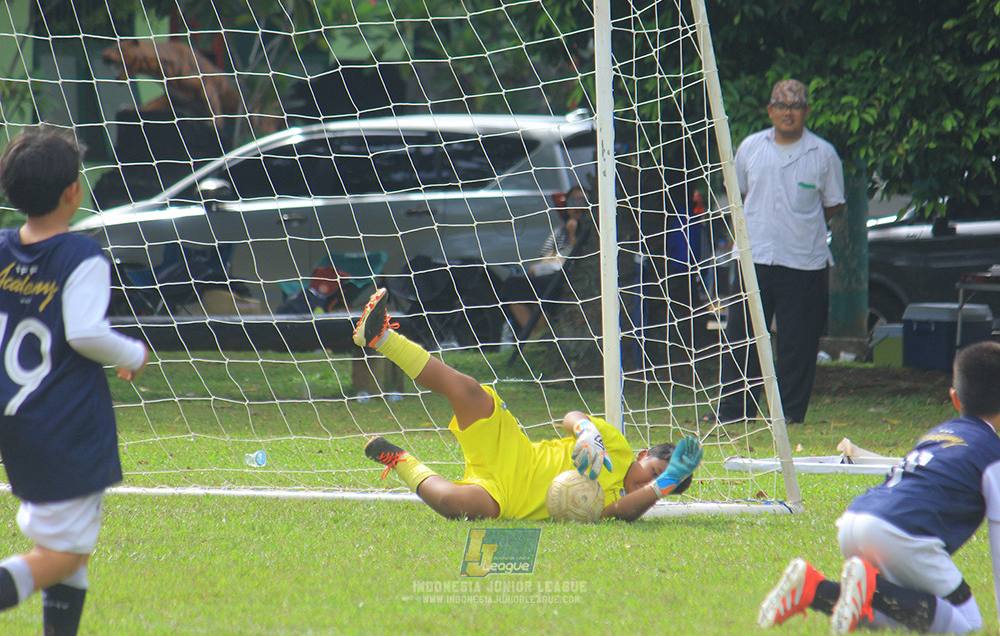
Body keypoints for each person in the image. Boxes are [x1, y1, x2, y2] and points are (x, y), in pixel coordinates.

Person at [355, 287, 702, 521]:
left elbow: (622, 514)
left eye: (660, 488)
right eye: (654, 473)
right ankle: (381, 337)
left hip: (506, 498)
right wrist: (586, 432)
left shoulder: (611, 502)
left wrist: (665, 483)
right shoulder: (618, 448)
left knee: (455, 505)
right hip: (513, 452)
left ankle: (399, 459)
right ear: (643, 455)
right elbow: (571, 416)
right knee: (469, 391)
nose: (648, 485)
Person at [0, 126, 149, 635]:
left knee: (68, 550)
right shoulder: (81, 257)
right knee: (62, 556)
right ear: (73, 191)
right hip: (64, 423)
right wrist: (133, 351)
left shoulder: (1, 251)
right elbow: (85, 332)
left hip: (15, 418)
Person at [757, 341, 1000, 635]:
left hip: (857, 518)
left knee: (897, 613)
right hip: (902, 534)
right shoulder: (992, 454)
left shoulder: (937, 434)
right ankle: (870, 586)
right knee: (969, 626)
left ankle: (814, 588)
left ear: (954, 398)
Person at [716, 79, 844, 424]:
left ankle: (789, 414)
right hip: (754, 255)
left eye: (796, 106)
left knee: (797, 341)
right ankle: (733, 412)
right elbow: (739, 196)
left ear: (807, 112)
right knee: (742, 337)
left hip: (803, 259)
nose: (789, 113)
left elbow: (832, 205)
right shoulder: (750, 147)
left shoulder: (823, 154)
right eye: (782, 106)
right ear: (770, 110)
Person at [499, 185, 590, 339]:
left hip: (570, 277)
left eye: (581, 200)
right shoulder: (559, 232)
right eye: (572, 200)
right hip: (551, 272)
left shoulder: (590, 231)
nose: (576, 204)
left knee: (544, 289)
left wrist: (573, 234)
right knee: (513, 284)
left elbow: (578, 259)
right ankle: (533, 336)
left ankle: (541, 336)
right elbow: (546, 256)